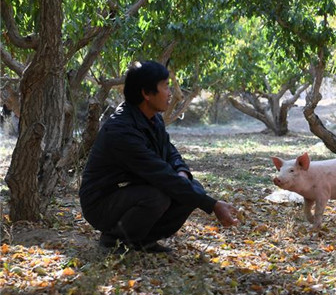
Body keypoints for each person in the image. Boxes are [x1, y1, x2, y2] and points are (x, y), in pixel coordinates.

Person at [79, 61, 239, 253]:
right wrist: (213, 205)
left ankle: (143, 241)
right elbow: (159, 174)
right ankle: (113, 240)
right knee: (158, 196)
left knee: (191, 188)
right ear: (146, 93)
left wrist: (182, 172)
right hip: (101, 204)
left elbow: (170, 152)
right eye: (165, 86)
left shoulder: (153, 118)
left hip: (129, 192)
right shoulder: (121, 130)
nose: (170, 93)